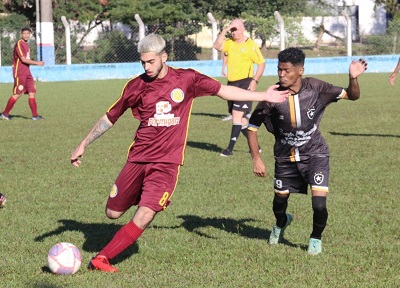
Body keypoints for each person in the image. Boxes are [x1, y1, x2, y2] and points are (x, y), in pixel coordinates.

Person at [70, 34, 290, 273]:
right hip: (137, 159)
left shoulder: (187, 79)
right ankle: (142, 195)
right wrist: (84, 143)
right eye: (143, 62)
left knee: (145, 214)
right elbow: (110, 117)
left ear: (164, 57)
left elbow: (224, 91)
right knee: (112, 213)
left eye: (151, 62)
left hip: (167, 164)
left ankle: (102, 258)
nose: (146, 67)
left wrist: (264, 96)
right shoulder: (136, 86)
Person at [247, 47, 368, 255]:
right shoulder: (272, 95)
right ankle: (282, 222)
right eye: (279, 70)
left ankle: (315, 239)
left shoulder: (317, 88)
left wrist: (353, 78)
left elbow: (353, 96)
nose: (281, 75)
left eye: (286, 71)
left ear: (300, 70)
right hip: (285, 156)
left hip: (315, 153)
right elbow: (251, 127)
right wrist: (257, 158)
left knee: (319, 204)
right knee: (279, 202)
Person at [213, 18, 265, 156]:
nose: (233, 32)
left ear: (242, 30)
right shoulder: (229, 42)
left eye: (235, 29)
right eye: (232, 29)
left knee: (236, 116)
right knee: (241, 121)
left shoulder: (250, 45)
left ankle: (229, 149)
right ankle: (256, 147)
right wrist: (225, 30)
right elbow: (216, 46)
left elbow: (261, 64)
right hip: (232, 84)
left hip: (245, 83)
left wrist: (255, 80)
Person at [0, 27, 45, 121]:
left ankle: (35, 116)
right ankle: (5, 114)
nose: (26, 35)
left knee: (32, 92)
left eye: (28, 33)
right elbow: (23, 59)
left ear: (30, 35)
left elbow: (26, 61)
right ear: (21, 34)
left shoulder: (27, 44)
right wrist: (38, 63)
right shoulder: (19, 44)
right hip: (20, 73)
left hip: (27, 72)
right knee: (18, 93)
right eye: (24, 33)